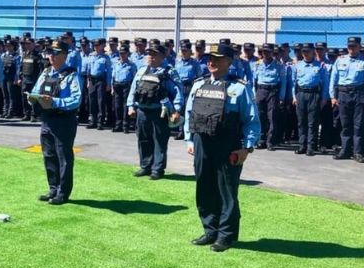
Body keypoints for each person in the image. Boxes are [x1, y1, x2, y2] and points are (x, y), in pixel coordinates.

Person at [184, 43, 260, 253]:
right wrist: (190, 141)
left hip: (228, 144)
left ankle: (226, 235)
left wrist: (247, 147)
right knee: (205, 187)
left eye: (217, 59)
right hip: (202, 143)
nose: (212, 62)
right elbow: (190, 114)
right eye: (210, 58)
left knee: (227, 191)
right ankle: (210, 230)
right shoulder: (199, 85)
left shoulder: (240, 88)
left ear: (229, 61)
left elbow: (251, 120)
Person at [29, 40, 82, 205]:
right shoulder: (46, 72)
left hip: (63, 120)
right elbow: (36, 91)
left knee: (63, 157)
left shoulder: (72, 75)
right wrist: (32, 98)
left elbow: (76, 99)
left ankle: (63, 192)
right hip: (47, 119)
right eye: (49, 52)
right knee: (49, 155)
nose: (50, 56)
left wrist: (55, 102)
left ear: (64, 55)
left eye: (55, 53)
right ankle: (53, 188)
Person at [127, 44, 182, 180]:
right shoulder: (142, 70)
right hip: (142, 110)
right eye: (149, 54)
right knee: (143, 139)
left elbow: (177, 91)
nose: (150, 57)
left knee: (159, 140)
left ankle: (157, 169)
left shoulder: (169, 72)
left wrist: (177, 110)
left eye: (154, 54)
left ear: (163, 56)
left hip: (160, 111)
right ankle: (145, 166)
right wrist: (130, 106)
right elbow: (134, 89)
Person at [329, 36, 364, 163]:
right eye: (349, 46)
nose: (351, 48)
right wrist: (333, 96)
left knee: (358, 125)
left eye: (354, 46)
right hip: (343, 94)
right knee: (345, 124)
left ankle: (357, 152)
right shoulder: (340, 60)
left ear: (359, 47)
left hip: (359, 94)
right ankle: (345, 150)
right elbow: (333, 79)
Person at [291, 43, 328, 156]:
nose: (305, 54)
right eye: (304, 52)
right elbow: (293, 83)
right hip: (301, 94)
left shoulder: (320, 66)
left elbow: (325, 83)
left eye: (308, 51)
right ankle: (302, 145)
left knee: (313, 122)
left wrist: (323, 98)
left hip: (314, 95)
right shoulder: (297, 66)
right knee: (301, 121)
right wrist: (294, 97)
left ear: (313, 52)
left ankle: (311, 146)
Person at [252, 43, 286, 151]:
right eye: (264, 52)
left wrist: (281, 97)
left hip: (273, 91)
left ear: (272, 52)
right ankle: (261, 140)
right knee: (260, 116)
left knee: (272, 117)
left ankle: (270, 141)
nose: (265, 54)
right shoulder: (257, 64)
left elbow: (283, 82)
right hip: (260, 91)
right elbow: (253, 81)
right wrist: (254, 95)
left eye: (268, 52)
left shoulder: (279, 65)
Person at [86, 38, 112, 130]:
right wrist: (88, 82)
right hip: (92, 80)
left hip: (101, 80)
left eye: (98, 45)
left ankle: (100, 122)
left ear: (102, 46)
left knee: (101, 101)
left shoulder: (105, 57)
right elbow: (88, 70)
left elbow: (109, 72)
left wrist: (109, 84)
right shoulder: (91, 56)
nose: (96, 47)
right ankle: (93, 121)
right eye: (95, 46)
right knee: (92, 101)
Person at [111, 44, 136, 133]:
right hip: (117, 86)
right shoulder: (116, 64)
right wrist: (112, 87)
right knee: (117, 106)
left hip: (126, 86)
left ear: (127, 53)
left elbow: (134, 78)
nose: (122, 55)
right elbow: (113, 76)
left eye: (124, 53)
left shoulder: (132, 65)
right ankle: (118, 124)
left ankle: (126, 125)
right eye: (120, 53)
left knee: (126, 106)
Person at [19, 37, 44, 121]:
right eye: (26, 44)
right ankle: (27, 114)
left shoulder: (38, 55)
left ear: (33, 44)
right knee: (24, 97)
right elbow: (21, 67)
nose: (27, 45)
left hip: (34, 80)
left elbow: (41, 69)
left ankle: (34, 115)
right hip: (25, 79)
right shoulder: (24, 54)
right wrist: (19, 77)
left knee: (33, 98)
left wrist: (39, 81)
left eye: (29, 43)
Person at [0, 40, 22, 119]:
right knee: (5, 95)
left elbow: (18, 68)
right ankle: (5, 111)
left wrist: (17, 78)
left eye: (9, 46)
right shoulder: (3, 55)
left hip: (11, 78)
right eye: (6, 46)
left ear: (13, 46)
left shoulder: (16, 56)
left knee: (11, 96)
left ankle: (10, 112)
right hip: (4, 77)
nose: (7, 47)